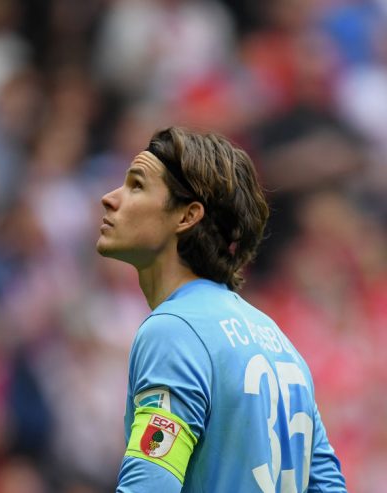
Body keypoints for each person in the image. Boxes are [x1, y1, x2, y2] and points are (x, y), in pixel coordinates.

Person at [96, 127, 347, 492]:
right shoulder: (283, 346)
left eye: (136, 185)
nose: (110, 198)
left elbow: (150, 486)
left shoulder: (174, 331)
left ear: (187, 216)